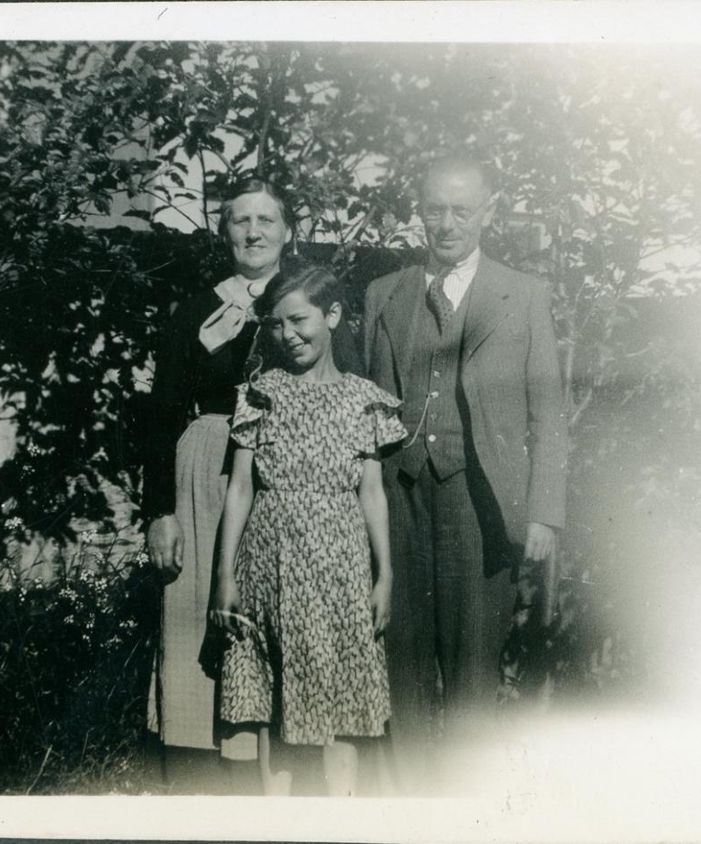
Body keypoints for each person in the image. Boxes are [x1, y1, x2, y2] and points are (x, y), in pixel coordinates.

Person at [362, 154, 569, 791]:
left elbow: (548, 411)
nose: (446, 224)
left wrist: (543, 511)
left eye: (461, 210)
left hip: (480, 502)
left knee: (473, 664)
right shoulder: (385, 293)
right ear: (419, 213)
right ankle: (408, 809)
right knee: (400, 661)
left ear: (489, 212)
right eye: (434, 210)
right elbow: (367, 407)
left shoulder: (523, 294)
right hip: (397, 500)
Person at [210, 265, 406, 796]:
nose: (287, 335)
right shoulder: (260, 394)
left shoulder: (365, 399)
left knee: (343, 695)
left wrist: (384, 575)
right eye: (275, 325)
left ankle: (337, 819)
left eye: (299, 320)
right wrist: (225, 575)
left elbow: (372, 493)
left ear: (333, 315)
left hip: (341, 564)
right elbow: (241, 488)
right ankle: (278, 822)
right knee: (276, 696)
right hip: (271, 560)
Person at [141, 177, 294, 790]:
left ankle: (269, 763)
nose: (253, 232)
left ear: (288, 231)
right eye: (240, 221)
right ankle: (195, 770)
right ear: (224, 231)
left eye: (265, 220)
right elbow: (160, 411)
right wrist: (160, 511)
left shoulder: (304, 304)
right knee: (194, 608)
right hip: (205, 470)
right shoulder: (195, 310)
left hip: (281, 468)